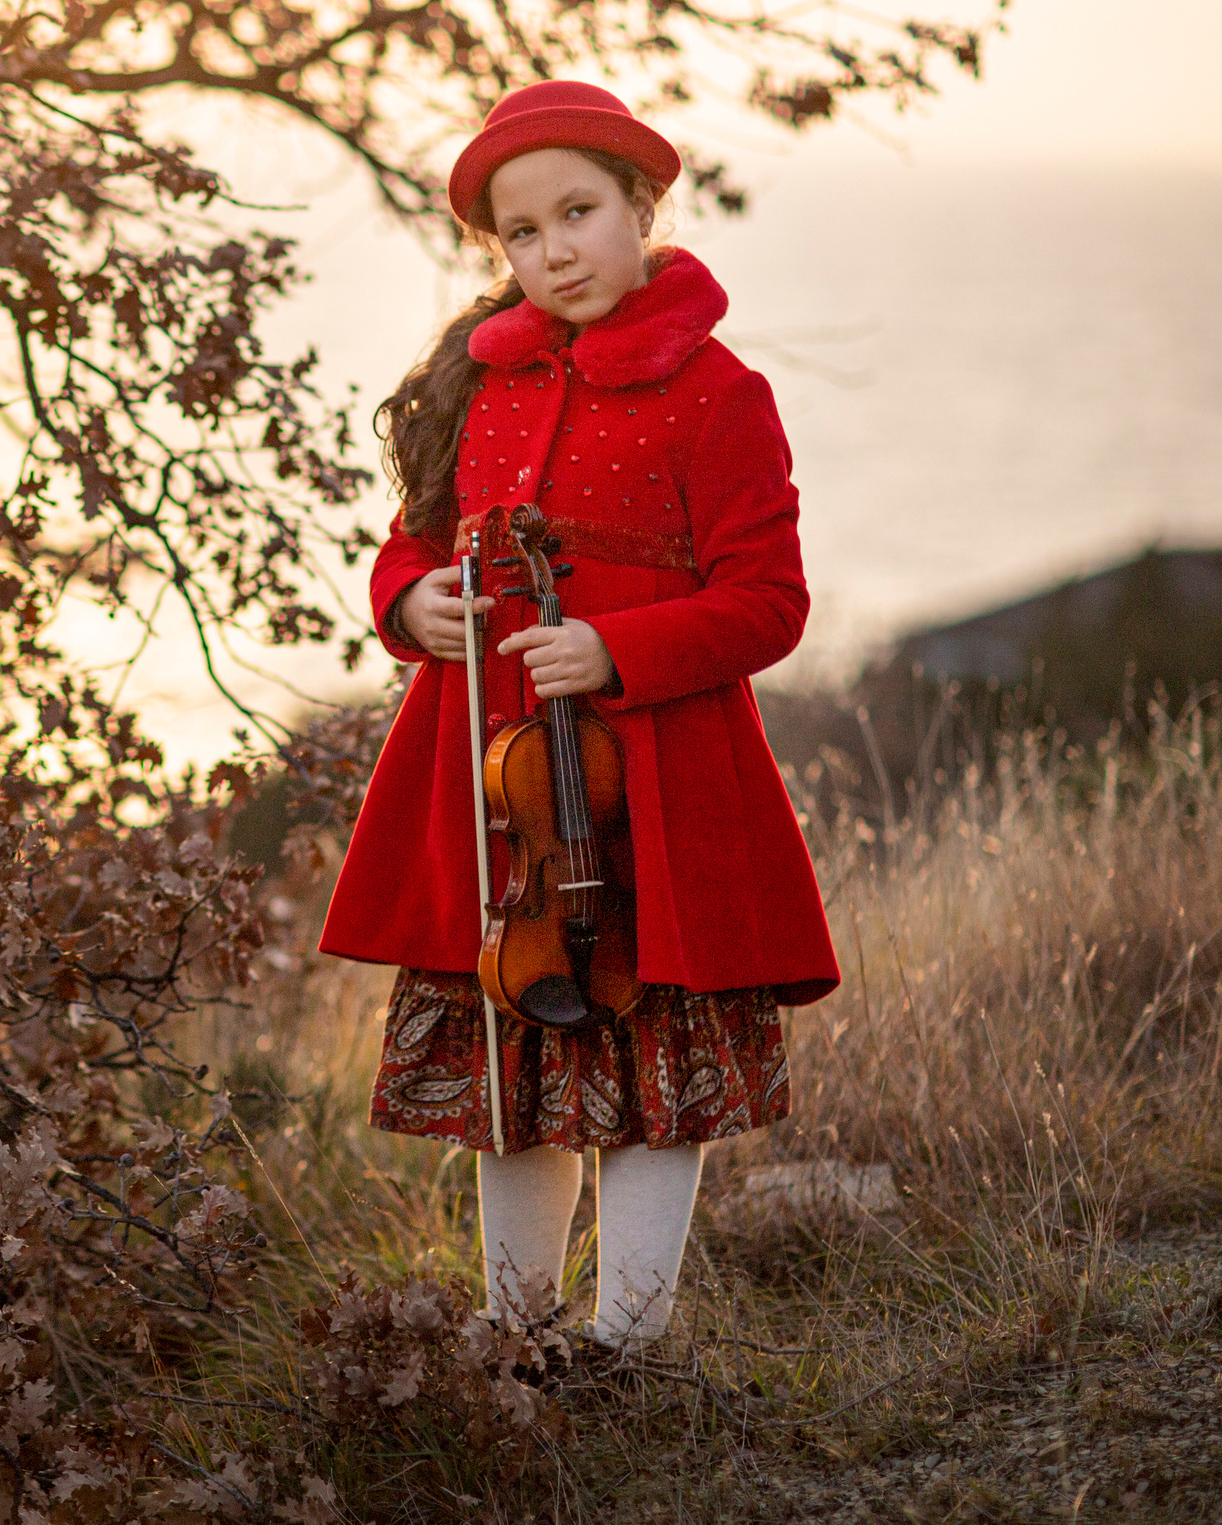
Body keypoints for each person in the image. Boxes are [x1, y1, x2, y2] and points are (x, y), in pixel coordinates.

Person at [318, 80, 839, 1353]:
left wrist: (615, 645)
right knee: (517, 1061)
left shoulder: (717, 391)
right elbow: (410, 544)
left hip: (655, 779)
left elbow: (768, 602)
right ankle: (515, 1334)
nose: (554, 251)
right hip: (498, 787)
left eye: (579, 213)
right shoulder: (475, 385)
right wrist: (410, 603)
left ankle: (630, 1342)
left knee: (652, 1065)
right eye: (522, 233)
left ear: (642, 208)